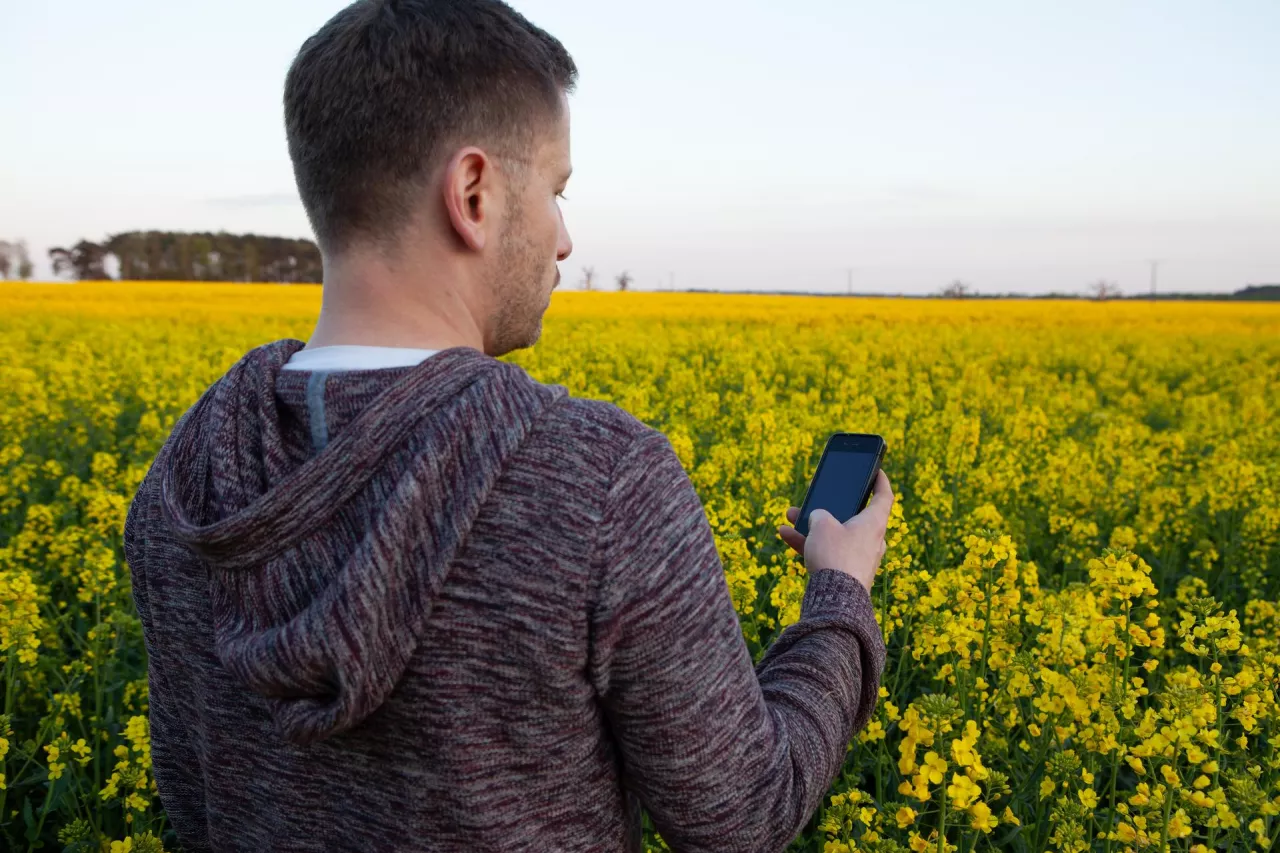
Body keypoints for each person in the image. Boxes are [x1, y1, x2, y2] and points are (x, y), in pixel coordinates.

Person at [122, 0, 894, 850]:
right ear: (474, 194)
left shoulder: (187, 479)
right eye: (557, 190)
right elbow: (741, 815)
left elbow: (196, 798)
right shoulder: (598, 482)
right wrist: (840, 594)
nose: (564, 238)